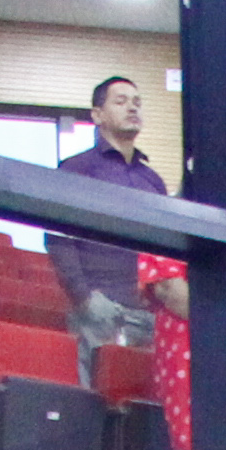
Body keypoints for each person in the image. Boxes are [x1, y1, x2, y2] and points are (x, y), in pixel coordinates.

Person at [53, 74, 170, 355]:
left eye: (137, 103)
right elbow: (58, 237)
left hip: (148, 314)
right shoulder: (75, 169)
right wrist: (83, 298)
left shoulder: (153, 181)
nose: (132, 108)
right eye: (121, 101)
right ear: (97, 115)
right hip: (99, 309)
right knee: (96, 396)